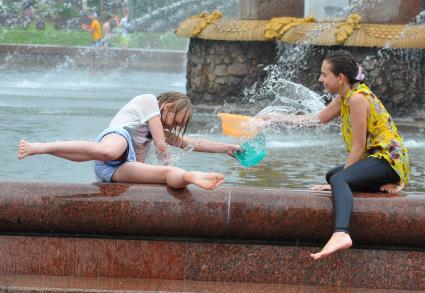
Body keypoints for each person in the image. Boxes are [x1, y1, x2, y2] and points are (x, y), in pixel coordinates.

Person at [259, 50, 410, 260]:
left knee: (340, 179)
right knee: (332, 176)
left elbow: (358, 147)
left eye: (324, 74)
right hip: (376, 159)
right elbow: (317, 119)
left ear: (340, 78)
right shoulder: (345, 96)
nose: (320, 79)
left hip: (388, 159)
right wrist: (274, 118)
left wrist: (342, 181)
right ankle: (383, 185)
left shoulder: (357, 99)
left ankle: (341, 233)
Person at [18, 92, 241, 190]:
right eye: (174, 121)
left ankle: (190, 177)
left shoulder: (157, 130)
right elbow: (163, 146)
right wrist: (165, 158)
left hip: (113, 170)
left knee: (166, 175)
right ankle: (39, 147)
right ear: (168, 107)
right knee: (109, 151)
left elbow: (192, 143)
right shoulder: (148, 102)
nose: (171, 127)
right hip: (117, 139)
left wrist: (226, 148)